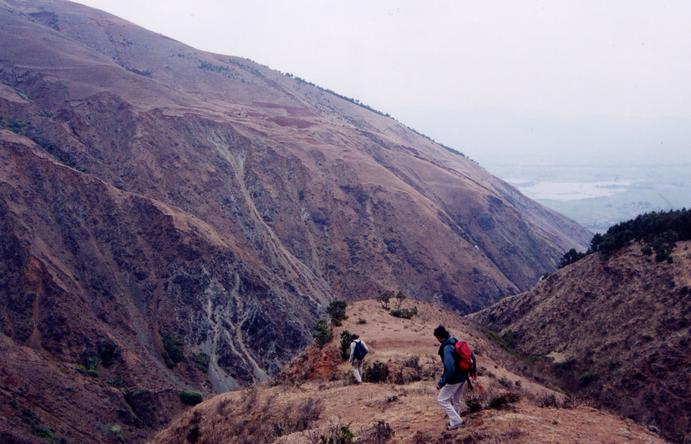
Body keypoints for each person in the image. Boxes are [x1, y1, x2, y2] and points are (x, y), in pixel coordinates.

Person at [434, 325, 477, 430]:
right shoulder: (454, 340)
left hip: (455, 378)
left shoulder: (447, 347)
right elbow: (472, 356)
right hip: (463, 376)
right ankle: (454, 422)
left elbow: (450, 368)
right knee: (456, 400)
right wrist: (472, 371)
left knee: (442, 399)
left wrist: (441, 382)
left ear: (439, 337)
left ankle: (457, 421)